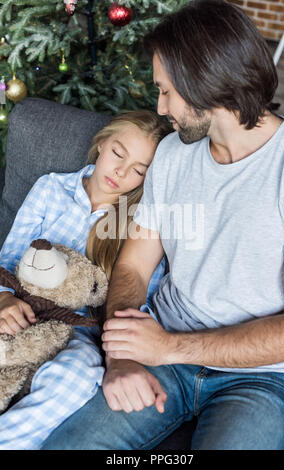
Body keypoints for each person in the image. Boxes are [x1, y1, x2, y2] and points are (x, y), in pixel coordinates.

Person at [41, 0, 284, 450]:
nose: (161, 108)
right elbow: (134, 269)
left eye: (166, 91)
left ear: (207, 82)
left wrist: (167, 348)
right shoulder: (175, 156)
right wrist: (121, 355)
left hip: (263, 378)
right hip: (162, 351)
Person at [0, 110, 171, 449]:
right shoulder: (51, 188)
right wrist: (4, 297)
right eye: (118, 153)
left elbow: (144, 299)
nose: (121, 172)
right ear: (101, 144)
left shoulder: (141, 225)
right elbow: (9, 257)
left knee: (80, 377)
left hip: (77, 331)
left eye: (139, 170)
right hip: (21, 309)